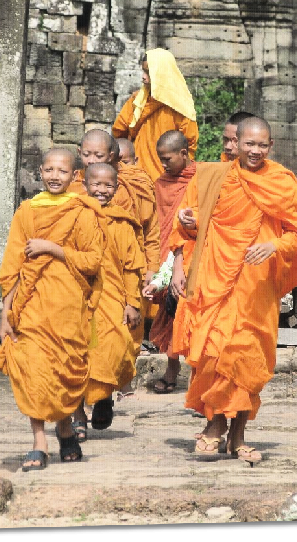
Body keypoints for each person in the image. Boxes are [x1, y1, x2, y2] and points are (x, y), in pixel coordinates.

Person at [168, 116, 297, 466]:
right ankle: (218, 427)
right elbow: (188, 228)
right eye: (248, 144)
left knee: (246, 355)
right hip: (214, 279)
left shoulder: (281, 182)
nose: (254, 151)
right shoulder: (213, 177)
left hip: (256, 285)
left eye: (261, 145)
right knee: (215, 353)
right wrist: (189, 225)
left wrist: (274, 246)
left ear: (271, 146)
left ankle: (232, 435)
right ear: (236, 143)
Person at [0, 148, 106, 471]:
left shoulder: (83, 212)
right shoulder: (27, 212)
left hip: (68, 307)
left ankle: (67, 426)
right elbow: (12, 265)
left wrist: (54, 249)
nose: (55, 176)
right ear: (40, 172)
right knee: (33, 371)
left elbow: (93, 261)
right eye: (49, 170)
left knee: (64, 371)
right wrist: (5, 314)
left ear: (75, 176)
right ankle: (39, 441)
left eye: (62, 171)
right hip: (31, 306)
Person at [69, 162, 146, 441]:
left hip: (113, 297)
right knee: (77, 354)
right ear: (85, 184)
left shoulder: (122, 221)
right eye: (96, 184)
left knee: (115, 346)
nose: (102, 190)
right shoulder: (72, 215)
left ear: (117, 187)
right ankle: (77, 415)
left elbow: (131, 266)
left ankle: (103, 397)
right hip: (78, 296)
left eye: (108, 185)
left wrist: (132, 302)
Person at [69, 130, 160, 346]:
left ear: (112, 155)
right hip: (82, 274)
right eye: (87, 155)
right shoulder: (74, 185)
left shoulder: (135, 183)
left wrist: (151, 267)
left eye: (98, 156)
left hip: (126, 271)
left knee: (123, 343)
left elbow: (150, 230)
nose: (91, 160)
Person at [141, 130, 197, 394]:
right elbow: (158, 223)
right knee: (171, 313)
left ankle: (198, 376)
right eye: (160, 159)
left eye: (167, 159)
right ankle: (172, 369)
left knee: (195, 315)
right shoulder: (162, 183)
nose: (163, 165)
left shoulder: (200, 179)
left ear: (184, 154)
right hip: (166, 254)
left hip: (194, 253)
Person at [112, 48, 199, 183]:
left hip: (169, 178)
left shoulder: (181, 106)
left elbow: (189, 146)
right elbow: (119, 132)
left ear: (161, 74)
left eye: (148, 72)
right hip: (135, 176)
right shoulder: (138, 100)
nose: (143, 77)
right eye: (143, 71)